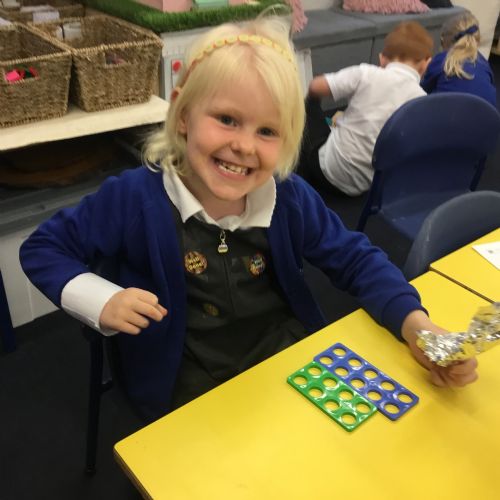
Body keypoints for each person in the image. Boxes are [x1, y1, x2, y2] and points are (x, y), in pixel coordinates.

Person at [19, 15, 477, 422]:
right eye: (226, 119)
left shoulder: (288, 197)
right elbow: (43, 248)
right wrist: (101, 299)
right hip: (183, 373)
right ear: (183, 114)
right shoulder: (134, 197)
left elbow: (356, 259)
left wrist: (415, 324)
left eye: (267, 131)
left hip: (280, 353)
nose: (244, 146)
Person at [297, 21, 433, 197]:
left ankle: (296, 168)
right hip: (367, 185)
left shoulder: (366, 73)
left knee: (309, 101)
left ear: (382, 59)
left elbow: (315, 87)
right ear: (426, 64)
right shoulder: (422, 101)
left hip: (328, 170)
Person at [421, 11, 496, 107]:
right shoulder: (484, 64)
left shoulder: (442, 60)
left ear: (443, 40)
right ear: (477, 39)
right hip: (487, 114)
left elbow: (422, 91)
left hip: (447, 114)